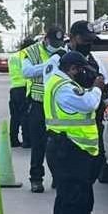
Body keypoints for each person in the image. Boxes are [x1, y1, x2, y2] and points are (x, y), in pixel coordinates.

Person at [43, 51, 104, 214]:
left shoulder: (58, 81)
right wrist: (97, 88)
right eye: (82, 70)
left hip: (65, 146)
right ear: (73, 69)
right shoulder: (64, 87)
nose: (85, 74)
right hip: (69, 147)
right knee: (71, 196)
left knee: (65, 195)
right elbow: (88, 104)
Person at [66, 21, 108, 214]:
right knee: (72, 185)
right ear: (72, 37)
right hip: (67, 134)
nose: (88, 44)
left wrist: (105, 93)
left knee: (88, 178)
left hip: (91, 130)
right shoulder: (60, 61)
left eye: (90, 40)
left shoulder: (93, 61)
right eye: (84, 39)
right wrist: (95, 91)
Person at [21, 27, 66, 193]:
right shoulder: (32, 52)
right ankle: (36, 179)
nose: (57, 46)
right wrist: (51, 63)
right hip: (38, 104)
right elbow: (27, 72)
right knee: (38, 144)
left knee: (58, 144)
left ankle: (58, 177)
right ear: (46, 39)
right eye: (54, 42)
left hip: (58, 105)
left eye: (59, 43)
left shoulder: (64, 51)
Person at [8, 45, 30, 148]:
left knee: (14, 116)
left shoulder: (13, 57)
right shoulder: (26, 56)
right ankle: (26, 140)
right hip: (24, 87)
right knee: (25, 115)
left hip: (14, 87)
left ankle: (13, 140)